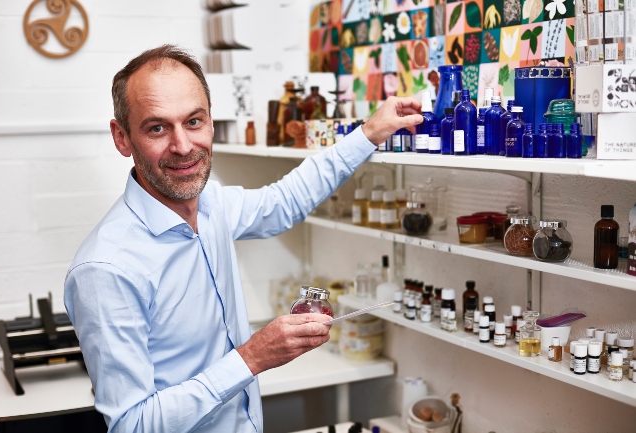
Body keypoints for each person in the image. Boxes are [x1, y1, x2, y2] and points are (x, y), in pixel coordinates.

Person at [64, 45, 423, 433]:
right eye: (157, 127)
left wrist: (369, 133)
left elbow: (285, 201)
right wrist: (251, 357)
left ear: (211, 122)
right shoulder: (106, 270)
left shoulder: (211, 205)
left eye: (194, 121)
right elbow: (132, 425)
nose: (183, 146)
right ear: (122, 138)